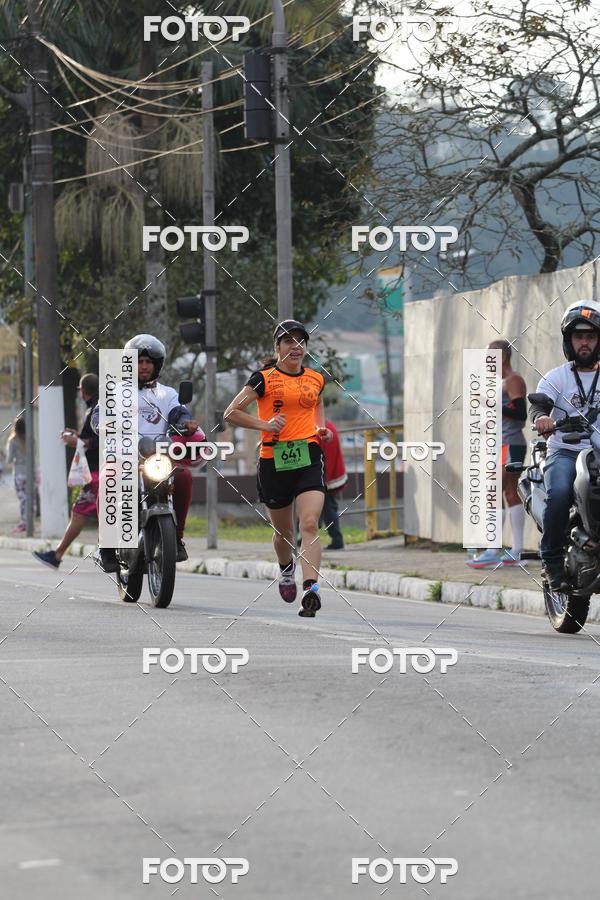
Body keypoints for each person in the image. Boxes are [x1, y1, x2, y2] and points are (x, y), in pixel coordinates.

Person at [223, 319, 332, 618]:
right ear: (278, 347)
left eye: (300, 342)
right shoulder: (263, 379)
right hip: (274, 460)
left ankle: (311, 589)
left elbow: (317, 403)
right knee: (283, 531)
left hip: (309, 454)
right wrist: (265, 425)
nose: (295, 347)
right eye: (288, 341)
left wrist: (319, 428)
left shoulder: (315, 378)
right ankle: (286, 570)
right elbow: (231, 413)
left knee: (309, 523)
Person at [93, 335, 201, 573]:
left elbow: (178, 413)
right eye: (139, 361)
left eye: (148, 362)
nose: (143, 366)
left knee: (183, 477)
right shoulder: (113, 392)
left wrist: (186, 422)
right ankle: (107, 547)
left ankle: (177, 538)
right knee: (108, 478)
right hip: (123, 457)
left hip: (157, 458)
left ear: (157, 365)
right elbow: (97, 417)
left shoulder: (168, 394)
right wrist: (103, 424)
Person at [531, 301, 600, 589]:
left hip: (598, 453)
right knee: (558, 492)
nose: (584, 342)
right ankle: (551, 562)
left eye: (590, 336)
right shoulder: (556, 377)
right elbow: (538, 406)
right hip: (566, 452)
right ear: (569, 341)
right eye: (578, 337)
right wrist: (543, 418)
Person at [468, 339, 527, 568]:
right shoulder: (501, 382)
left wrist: (488, 403)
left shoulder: (513, 380)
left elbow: (520, 413)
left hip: (511, 444)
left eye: (488, 356)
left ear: (501, 357)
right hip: (503, 444)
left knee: (493, 491)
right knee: (509, 493)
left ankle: (495, 549)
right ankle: (516, 551)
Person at [33, 374, 100, 569]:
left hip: (98, 472)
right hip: (98, 470)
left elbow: (102, 441)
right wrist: (80, 437)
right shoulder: (96, 408)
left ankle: (58, 554)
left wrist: (78, 442)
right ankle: (59, 553)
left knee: (79, 513)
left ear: (83, 391)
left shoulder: (96, 409)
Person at [317, 418, 347, 550]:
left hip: (326, 479)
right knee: (324, 509)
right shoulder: (328, 426)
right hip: (329, 477)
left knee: (328, 510)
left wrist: (321, 482)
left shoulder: (323, 431)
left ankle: (337, 539)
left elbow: (325, 459)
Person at [6, 416, 26, 533]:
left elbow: (9, 459)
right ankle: (30, 521)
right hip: (30, 471)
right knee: (30, 498)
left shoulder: (12, 440)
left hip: (19, 472)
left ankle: (24, 522)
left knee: (22, 498)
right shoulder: (30, 439)